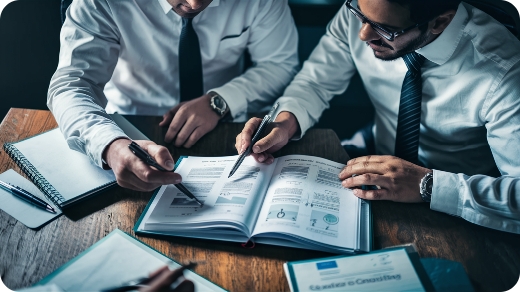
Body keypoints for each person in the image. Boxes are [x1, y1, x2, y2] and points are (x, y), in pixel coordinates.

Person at [235, 0, 520, 233]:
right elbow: (315, 82)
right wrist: (286, 121)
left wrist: (427, 185)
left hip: (462, 204)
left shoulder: (506, 73)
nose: (363, 35)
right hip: (372, 164)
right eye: (360, 15)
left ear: (440, 22)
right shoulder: (364, 12)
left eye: (386, 29)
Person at [48, 0, 299, 191]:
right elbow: (72, 85)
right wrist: (109, 145)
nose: (195, 4)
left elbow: (279, 64)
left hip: (227, 127)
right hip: (130, 126)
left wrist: (220, 101)